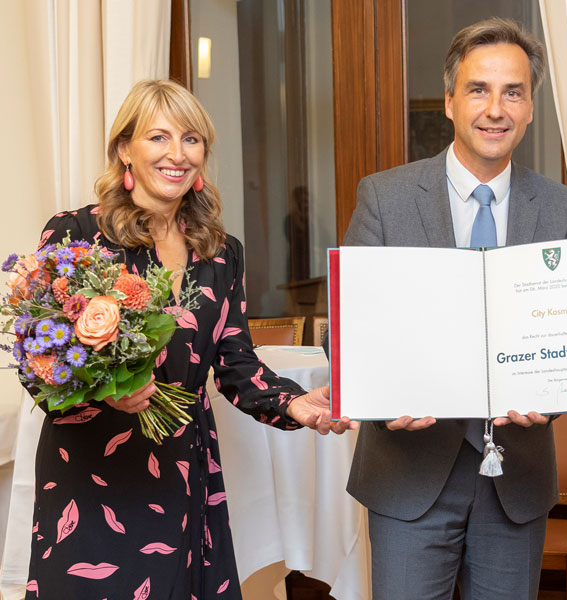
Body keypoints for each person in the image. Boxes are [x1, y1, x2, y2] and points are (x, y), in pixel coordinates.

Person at [22, 80, 353, 599]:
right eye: (158, 138)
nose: (177, 154)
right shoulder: (75, 235)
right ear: (124, 150)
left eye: (192, 139)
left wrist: (296, 405)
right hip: (91, 478)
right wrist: (105, 392)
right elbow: (36, 358)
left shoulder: (221, 251)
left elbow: (237, 363)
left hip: (184, 469)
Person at [342, 17, 567, 600]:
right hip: (407, 472)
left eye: (514, 92)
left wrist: (550, 400)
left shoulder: (561, 208)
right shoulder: (384, 195)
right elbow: (350, 325)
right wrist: (382, 401)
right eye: (479, 90)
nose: (495, 109)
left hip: (516, 477)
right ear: (449, 101)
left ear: (530, 108)